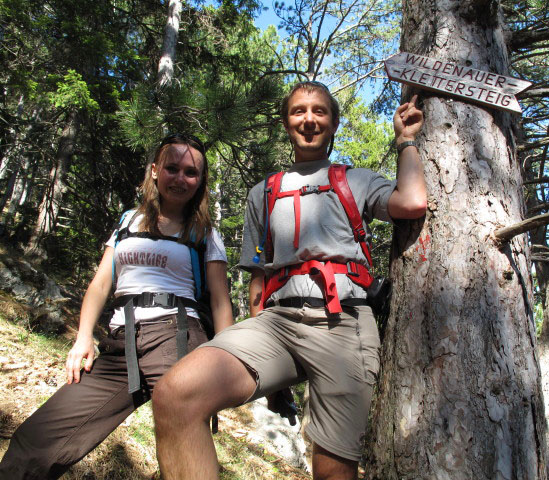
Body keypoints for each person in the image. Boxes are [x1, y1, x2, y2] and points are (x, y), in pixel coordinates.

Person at [152, 82, 427, 480]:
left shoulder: (357, 179)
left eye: (320, 111)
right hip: (276, 324)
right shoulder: (262, 192)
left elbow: (412, 202)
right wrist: (255, 329)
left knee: (332, 472)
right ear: (286, 122)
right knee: (175, 395)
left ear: (333, 123)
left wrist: (405, 141)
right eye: (299, 111)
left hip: (344, 324)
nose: (309, 119)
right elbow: (260, 279)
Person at [0, 133, 233, 479]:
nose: (180, 179)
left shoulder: (205, 232)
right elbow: (100, 284)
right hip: (118, 344)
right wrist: (82, 339)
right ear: (154, 170)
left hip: (178, 338)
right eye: (172, 168)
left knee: (184, 457)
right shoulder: (128, 221)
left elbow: (219, 299)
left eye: (191, 172)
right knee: (36, 439)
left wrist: (225, 361)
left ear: (200, 181)